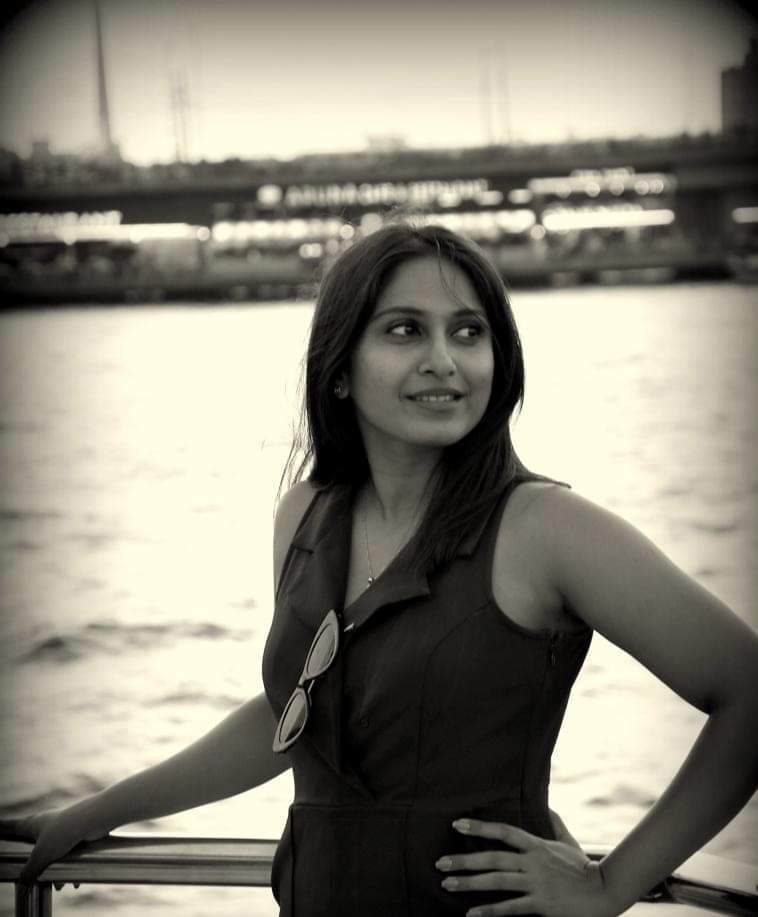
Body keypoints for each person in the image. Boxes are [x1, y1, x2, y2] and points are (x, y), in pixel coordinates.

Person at [3, 222, 757, 917]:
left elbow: (748, 690)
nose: (444, 360)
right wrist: (100, 811)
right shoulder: (304, 515)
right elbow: (294, 714)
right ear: (339, 368)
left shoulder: (545, 528)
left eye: (469, 332)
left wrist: (609, 883)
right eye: (405, 329)